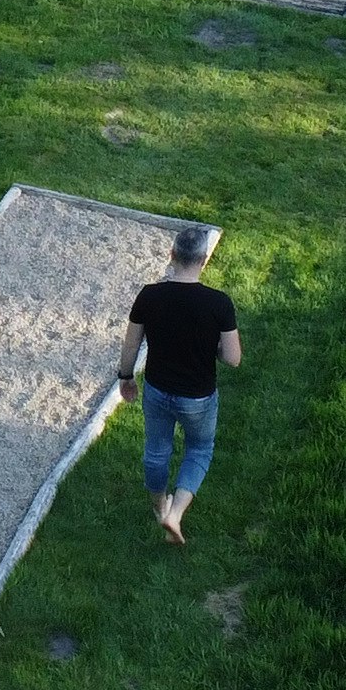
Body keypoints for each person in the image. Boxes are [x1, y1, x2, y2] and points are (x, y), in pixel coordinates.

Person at [115, 223, 240, 545]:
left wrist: (126, 377)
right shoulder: (219, 303)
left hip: (157, 389)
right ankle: (176, 513)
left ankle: (160, 508)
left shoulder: (149, 296)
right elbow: (233, 358)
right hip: (197, 397)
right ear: (203, 258)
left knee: (157, 450)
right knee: (199, 448)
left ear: (172, 255)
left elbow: (131, 345)